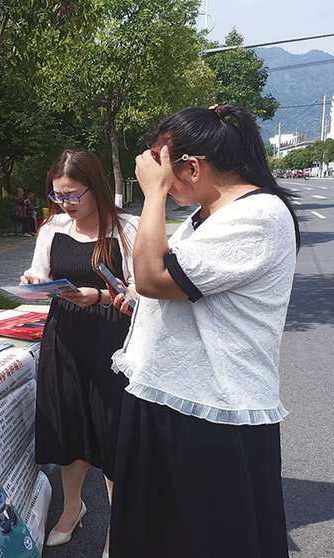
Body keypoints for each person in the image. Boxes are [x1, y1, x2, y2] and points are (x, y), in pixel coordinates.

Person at [109, 104, 299, 558]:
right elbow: (177, 286)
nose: (155, 177)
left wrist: (152, 196)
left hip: (214, 412)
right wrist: (139, 300)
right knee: (160, 538)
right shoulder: (207, 213)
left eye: (161, 167)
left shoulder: (259, 216)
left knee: (207, 540)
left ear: (192, 168)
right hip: (169, 394)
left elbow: (154, 276)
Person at [20, 148, 138, 556]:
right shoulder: (52, 228)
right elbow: (40, 273)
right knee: (68, 427)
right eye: (58, 195)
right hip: (64, 338)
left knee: (111, 435)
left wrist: (102, 296)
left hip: (113, 341)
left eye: (73, 195)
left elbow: (142, 293)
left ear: (96, 187)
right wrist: (32, 282)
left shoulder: (126, 228)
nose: (65, 203)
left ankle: (119, 529)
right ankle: (72, 508)